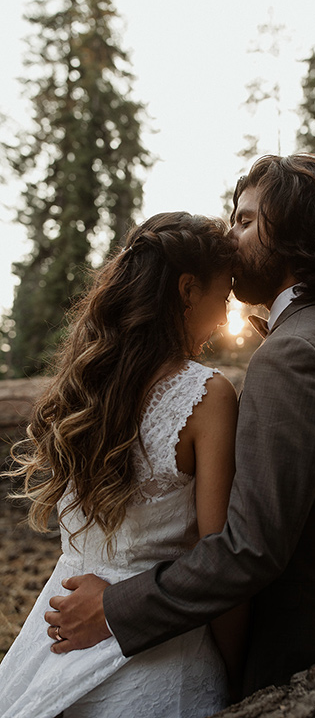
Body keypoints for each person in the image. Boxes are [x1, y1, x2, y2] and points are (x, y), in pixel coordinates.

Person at [45, 153, 315, 696]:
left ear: (292, 231)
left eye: (245, 220)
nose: (230, 236)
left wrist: (114, 609)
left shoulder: (294, 353)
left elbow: (248, 549)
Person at [0, 212, 246, 718]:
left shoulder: (84, 384)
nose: (224, 318)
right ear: (186, 290)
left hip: (58, 628)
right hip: (161, 654)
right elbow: (216, 558)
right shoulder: (207, 396)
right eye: (221, 299)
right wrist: (242, 667)